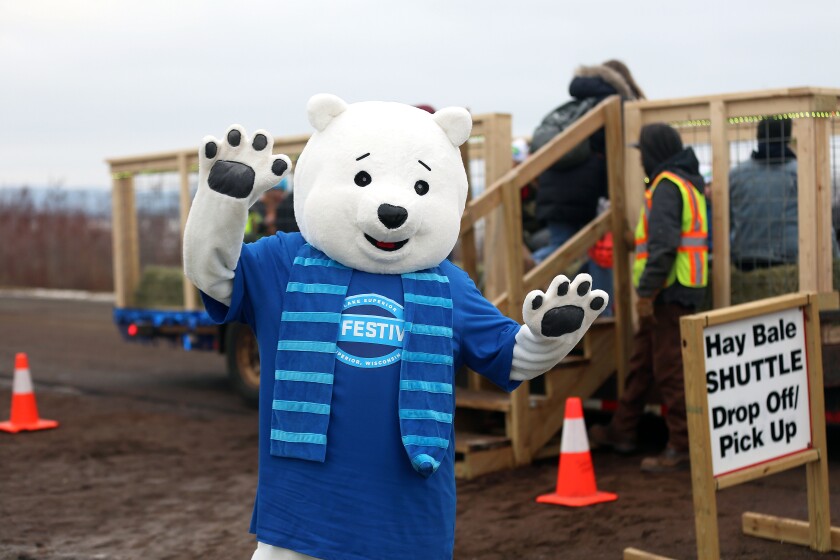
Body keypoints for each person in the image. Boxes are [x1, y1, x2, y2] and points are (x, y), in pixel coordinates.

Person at [589, 123, 708, 472]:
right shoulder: (684, 182)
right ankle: (622, 431)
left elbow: (664, 247)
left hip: (669, 293)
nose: (641, 159)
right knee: (642, 364)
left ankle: (683, 446)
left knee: (668, 369)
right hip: (676, 288)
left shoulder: (666, 186)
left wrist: (646, 293)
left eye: (642, 152)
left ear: (654, 153)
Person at [530, 60, 646, 315]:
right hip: (590, 191)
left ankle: (534, 268)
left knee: (562, 247)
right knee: (601, 252)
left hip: (556, 190)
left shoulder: (575, 106)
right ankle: (601, 314)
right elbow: (613, 154)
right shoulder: (615, 103)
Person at [729, 118, 798, 270]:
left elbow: (726, 221)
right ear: (787, 136)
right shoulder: (801, 173)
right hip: (788, 257)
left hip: (744, 257)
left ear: (758, 136)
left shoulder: (735, 175)